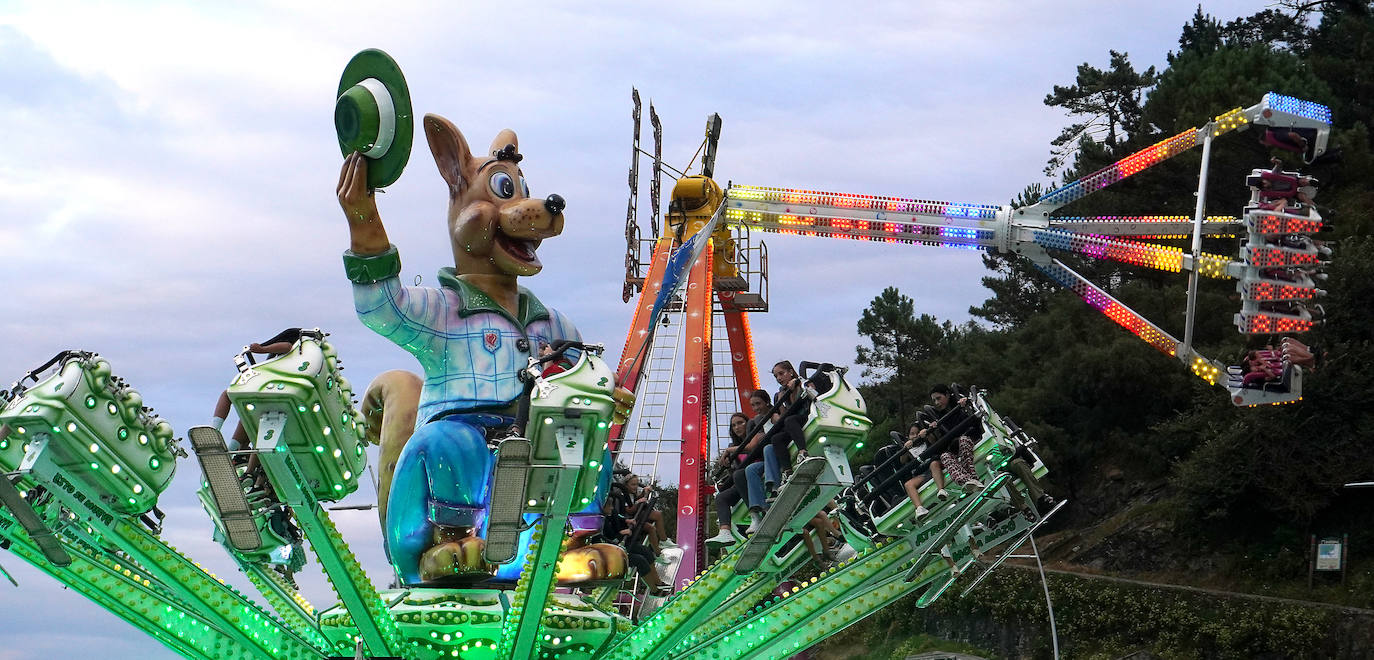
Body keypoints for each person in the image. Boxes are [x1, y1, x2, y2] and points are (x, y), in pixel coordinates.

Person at [706, 412, 754, 546]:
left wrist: (729, 450)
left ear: (748, 423)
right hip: (743, 482)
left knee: (740, 475)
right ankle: (725, 532)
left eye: (740, 423)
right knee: (721, 497)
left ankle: (755, 514)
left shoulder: (755, 437)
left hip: (756, 476)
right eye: (734, 425)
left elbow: (752, 448)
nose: (737, 427)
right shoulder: (734, 447)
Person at [929, 384, 984, 492]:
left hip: (971, 436)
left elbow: (975, 412)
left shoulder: (960, 402)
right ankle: (966, 481)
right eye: (934, 400)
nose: (937, 403)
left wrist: (966, 402)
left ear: (947, 395)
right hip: (955, 446)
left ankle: (972, 478)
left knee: (963, 440)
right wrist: (935, 428)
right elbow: (943, 441)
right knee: (944, 456)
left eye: (939, 398)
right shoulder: (940, 417)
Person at [900, 416, 949, 522]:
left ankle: (941, 490)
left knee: (933, 464)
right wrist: (904, 449)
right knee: (908, 484)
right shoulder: (910, 450)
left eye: (916, 433)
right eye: (912, 434)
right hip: (922, 474)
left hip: (933, 466)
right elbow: (902, 460)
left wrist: (926, 434)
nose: (914, 436)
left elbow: (934, 441)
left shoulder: (925, 441)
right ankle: (919, 508)